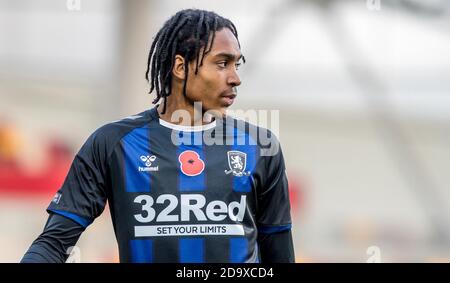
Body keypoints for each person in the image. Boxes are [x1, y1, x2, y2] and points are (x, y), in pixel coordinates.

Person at [21, 8, 294, 263]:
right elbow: (54, 244)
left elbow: (279, 251)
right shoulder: (112, 143)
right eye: (222, 64)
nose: (235, 78)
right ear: (180, 67)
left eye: (237, 64)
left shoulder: (259, 146)